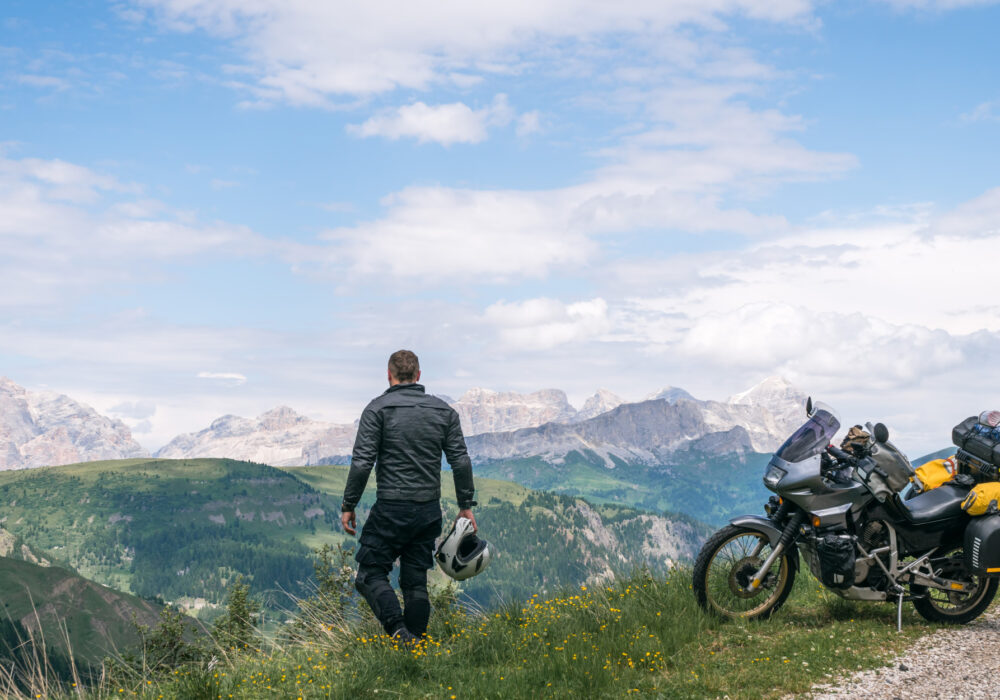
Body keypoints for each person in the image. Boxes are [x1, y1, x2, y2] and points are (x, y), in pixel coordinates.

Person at [340, 349, 477, 643]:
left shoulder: (377, 409)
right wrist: (466, 505)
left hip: (391, 508)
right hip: (428, 511)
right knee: (415, 582)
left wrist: (348, 505)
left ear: (389, 375)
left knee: (369, 574)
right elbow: (461, 461)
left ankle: (400, 634)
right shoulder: (444, 412)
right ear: (418, 376)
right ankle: (416, 652)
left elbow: (363, 462)